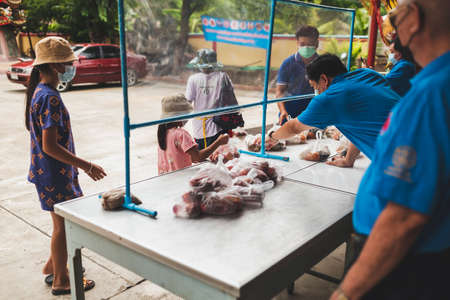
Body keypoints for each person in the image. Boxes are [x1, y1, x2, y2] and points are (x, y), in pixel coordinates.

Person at [329, 0, 450, 299]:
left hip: (403, 264)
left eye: (394, 18)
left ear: (413, 21)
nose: (392, 29)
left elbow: (404, 218)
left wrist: (345, 293)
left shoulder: (430, 95)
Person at [25, 37, 107, 295]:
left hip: (48, 172)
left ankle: (53, 266)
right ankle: (62, 280)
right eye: (67, 63)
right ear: (55, 66)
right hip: (54, 174)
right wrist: (86, 165)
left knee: (59, 225)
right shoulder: (50, 98)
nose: (71, 66)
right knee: (64, 227)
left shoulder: (40, 91)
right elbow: (50, 146)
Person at [268, 54, 400, 168]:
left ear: (324, 80)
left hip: (401, 157)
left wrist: (271, 137)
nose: (317, 92)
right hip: (416, 128)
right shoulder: (367, 74)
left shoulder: (329, 98)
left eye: (315, 86)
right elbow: (362, 123)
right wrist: (349, 160)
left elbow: (294, 128)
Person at [157, 94, 229, 175]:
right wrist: (219, 142)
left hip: (166, 178)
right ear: (180, 115)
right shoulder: (181, 134)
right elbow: (197, 157)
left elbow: (188, 157)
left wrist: (206, 157)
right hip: (181, 178)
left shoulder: (163, 132)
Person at [185, 49, 232, 150]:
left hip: (201, 128)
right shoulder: (223, 77)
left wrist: (182, 121)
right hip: (220, 125)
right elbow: (230, 102)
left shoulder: (193, 79)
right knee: (219, 155)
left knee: (204, 157)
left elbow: (188, 102)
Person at [276, 26, 319, 125]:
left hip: (314, 105)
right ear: (297, 44)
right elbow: (280, 91)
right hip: (291, 106)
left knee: (315, 132)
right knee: (287, 127)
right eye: (302, 44)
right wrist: (283, 111)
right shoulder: (288, 63)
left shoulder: (323, 63)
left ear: (316, 44)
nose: (306, 48)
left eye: (310, 44)